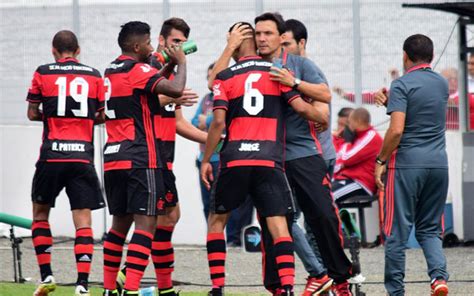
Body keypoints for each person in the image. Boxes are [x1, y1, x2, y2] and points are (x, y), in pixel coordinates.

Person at [201, 22, 326, 296]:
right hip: (269, 160)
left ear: (235, 42)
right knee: (278, 223)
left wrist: (207, 159)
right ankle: (289, 287)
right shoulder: (276, 74)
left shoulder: (225, 76)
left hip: (234, 160)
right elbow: (302, 107)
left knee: (216, 221)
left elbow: (218, 122)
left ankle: (217, 287)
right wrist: (322, 118)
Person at [256, 13, 353, 295]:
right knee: (272, 222)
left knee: (323, 216)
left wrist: (293, 83)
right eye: (258, 34)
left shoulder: (301, 65)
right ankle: (281, 286)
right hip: (267, 156)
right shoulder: (250, 67)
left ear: (280, 37)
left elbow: (324, 98)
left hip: (304, 153)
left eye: (268, 34)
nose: (262, 39)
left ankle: (341, 281)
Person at [101, 21, 186, 296]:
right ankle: (133, 290)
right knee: (146, 226)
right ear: (137, 46)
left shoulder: (110, 70)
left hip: (114, 158)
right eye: (148, 43)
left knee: (118, 228)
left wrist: (168, 65)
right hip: (141, 159)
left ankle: (108, 289)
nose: (151, 48)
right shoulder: (138, 69)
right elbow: (175, 89)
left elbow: (148, 89)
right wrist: (181, 63)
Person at [27, 30, 105, 296]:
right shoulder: (94, 75)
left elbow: (31, 113)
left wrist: (53, 118)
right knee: (83, 222)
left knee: (40, 214)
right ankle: (82, 284)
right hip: (82, 156)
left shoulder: (42, 72)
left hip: (51, 155)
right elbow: (101, 115)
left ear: (53, 50)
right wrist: (82, 121)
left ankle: (47, 276)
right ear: (78, 50)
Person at [374, 34, 449, 296]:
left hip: (406, 165)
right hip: (438, 165)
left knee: (396, 231)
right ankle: (438, 278)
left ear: (405, 56)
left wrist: (381, 160)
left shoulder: (401, 84)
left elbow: (396, 131)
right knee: (430, 229)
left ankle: (395, 292)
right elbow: (423, 112)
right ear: (431, 54)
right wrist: (391, 102)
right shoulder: (441, 84)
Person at [192, 62, 253, 246]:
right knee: (208, 203)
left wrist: (208, 119)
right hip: (205, 157)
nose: (211, 81)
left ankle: (234, 239)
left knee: (230, 202)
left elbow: (223, 120)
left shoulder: (232, 93)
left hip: (226, 157)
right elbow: (195, 121)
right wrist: (206, 121)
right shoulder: (206, 99)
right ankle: (214, 238)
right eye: (209, 76)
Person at [333, 107, 383, 204]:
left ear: (358, 121)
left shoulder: (370, 135)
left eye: (349, 122)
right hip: (349, 179)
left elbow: (346, 159)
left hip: (361, 183)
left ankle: (341, 219)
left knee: (327, 199)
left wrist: (347, 143)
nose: (348, 125)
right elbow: (337, 163)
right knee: (320, 196)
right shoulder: (359, 136)